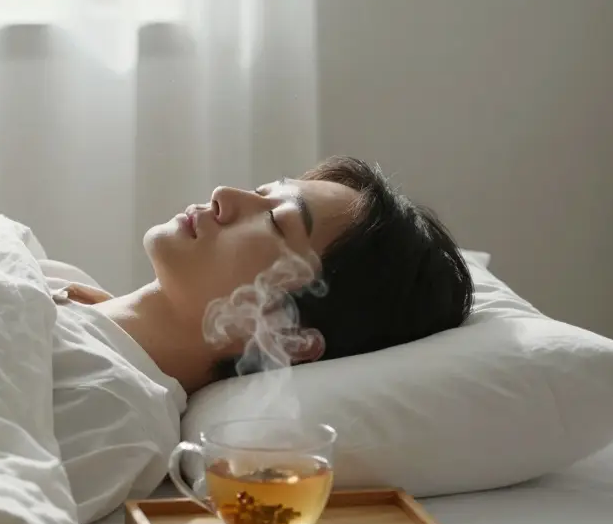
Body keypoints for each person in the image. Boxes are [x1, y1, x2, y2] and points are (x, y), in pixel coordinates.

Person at [56, 155, 475, 393]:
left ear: (287, 335)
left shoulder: (104, 402)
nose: (224, 195)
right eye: (261, 193)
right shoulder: (53, 280)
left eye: (276, 221)